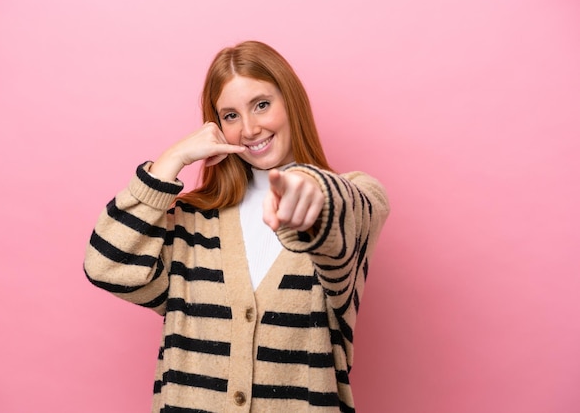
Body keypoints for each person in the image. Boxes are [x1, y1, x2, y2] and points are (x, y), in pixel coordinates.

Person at [84, 40, 390, 413]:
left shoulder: (356, 198)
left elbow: (342, 209)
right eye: (230, 116)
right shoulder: (189, 221)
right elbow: (106, 266)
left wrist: (309, 191)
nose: (249, 128)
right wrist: (171, 159)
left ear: (291, 101)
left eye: (262, 105)